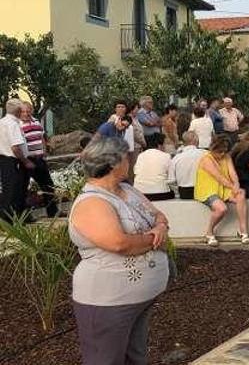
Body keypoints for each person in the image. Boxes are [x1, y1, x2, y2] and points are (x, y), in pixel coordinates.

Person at [68, 136, 169, 365]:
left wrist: (160, 227)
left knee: (135, 356)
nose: (130, 161)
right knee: (105, 359)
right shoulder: (92, 202)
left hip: (139, 297)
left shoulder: (126, 190)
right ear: (113, 163)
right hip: (107, 300)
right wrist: (154, 238)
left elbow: (158, 215)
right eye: (127, 157)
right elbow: (118, 244)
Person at [194, 136, 249, 246]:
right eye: (220, 152)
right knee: (222, 209)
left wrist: (236, 184)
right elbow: (219, 177)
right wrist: (233, 187)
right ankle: (209, 232)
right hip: (208, 190)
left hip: (224, 189)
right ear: (213, 148)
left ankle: (243, 230)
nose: (222, 154)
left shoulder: (226, 157)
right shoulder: (206, 159)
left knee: (241, 194)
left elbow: (232, 173)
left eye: (224, 151)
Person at [20, 102, 58, 216]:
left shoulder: (36, 121)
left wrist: (44, 150)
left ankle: (52, 212)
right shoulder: (18, 124)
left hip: (40, 159)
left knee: (48, 186)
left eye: (28, 111)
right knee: (23, 187)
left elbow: (41, 137)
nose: (26, 114)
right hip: (27, 160)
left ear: (31, 111)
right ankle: (25, 216)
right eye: (23, 111)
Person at [0, 99, 31, 220]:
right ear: (18, 111)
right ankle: (11, 219)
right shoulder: (13, 124)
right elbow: (16, 148)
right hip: (13, 161)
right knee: (15, 190)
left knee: (7, 189)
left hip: (3, 160)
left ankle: (6, 218)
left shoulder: (2, 122)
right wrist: (26, 161)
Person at [133, 133, 174, 201]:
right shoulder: (166, 156)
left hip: (140, 193)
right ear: (159, 145)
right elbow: (171, 179)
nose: (165, 146)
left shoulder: (140, 155)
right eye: (164, 144)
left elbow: (135, 172)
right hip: (160, 193)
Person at [169, 131, 206, 200]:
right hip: (203, 191)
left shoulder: (176, 158)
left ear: (184, 142)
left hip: (184, 193)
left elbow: (171, 181)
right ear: (197, 141)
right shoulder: (205, 154)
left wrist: (177, 193)